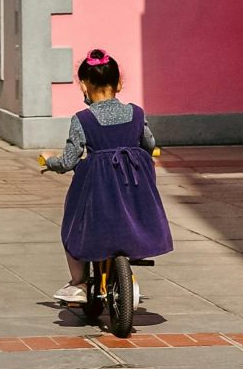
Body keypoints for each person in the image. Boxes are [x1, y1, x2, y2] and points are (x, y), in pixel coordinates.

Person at [37, 49, 172, 307]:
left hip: (97, 186)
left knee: (74, 222)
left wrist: (49, 161)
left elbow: (69, 159)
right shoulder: (136, 113)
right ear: (119, 83)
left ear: (84, 86)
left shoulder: (83, 119)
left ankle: (77, 281)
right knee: (136, 209)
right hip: (134, 185)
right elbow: (149, 143)